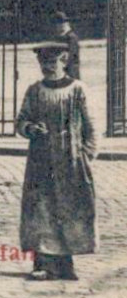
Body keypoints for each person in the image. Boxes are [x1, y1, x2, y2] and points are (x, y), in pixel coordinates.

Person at [17, 41, 97, 282]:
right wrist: (31, 128)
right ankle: (41, 263)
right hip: (40, 161)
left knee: (68, 207)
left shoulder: (77, 90)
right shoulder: (34, 90)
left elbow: (91, 126)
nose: (47, 67)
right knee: (41, 208)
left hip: (70, 160)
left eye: (52, 62)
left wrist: (86, 155)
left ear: (63, 61)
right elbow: (21, 121)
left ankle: (65, 263)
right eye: (43, 63)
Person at [54, 14, 82, 80]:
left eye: (61, 23)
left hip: (70, 71)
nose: (58, 27)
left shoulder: (71, 37)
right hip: (65, 69)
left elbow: (71, 56)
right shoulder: (63, 37)